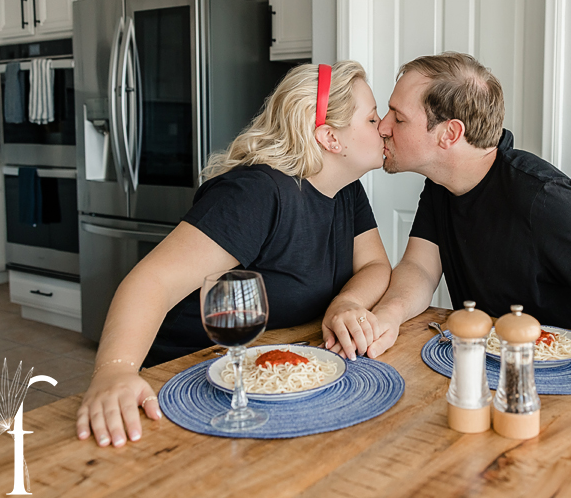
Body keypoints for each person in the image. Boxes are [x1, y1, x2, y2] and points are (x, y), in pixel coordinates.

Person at [76, 61, 392, 448]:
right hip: (191, 377)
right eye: (373, 118)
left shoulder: (345, 190)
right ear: (330, 138)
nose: (385, 127)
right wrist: (114, 371)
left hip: (266, 377)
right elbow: (151, 282)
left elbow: (376, 266)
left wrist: (347, 302)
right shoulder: (256, 194)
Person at [359, 52, 571, 408]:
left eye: (398, 117)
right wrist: (387, 317)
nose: (382, 126)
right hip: (494, 377)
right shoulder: (442, 184)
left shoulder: (542, 198)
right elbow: (420, 268)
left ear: (449, 133)